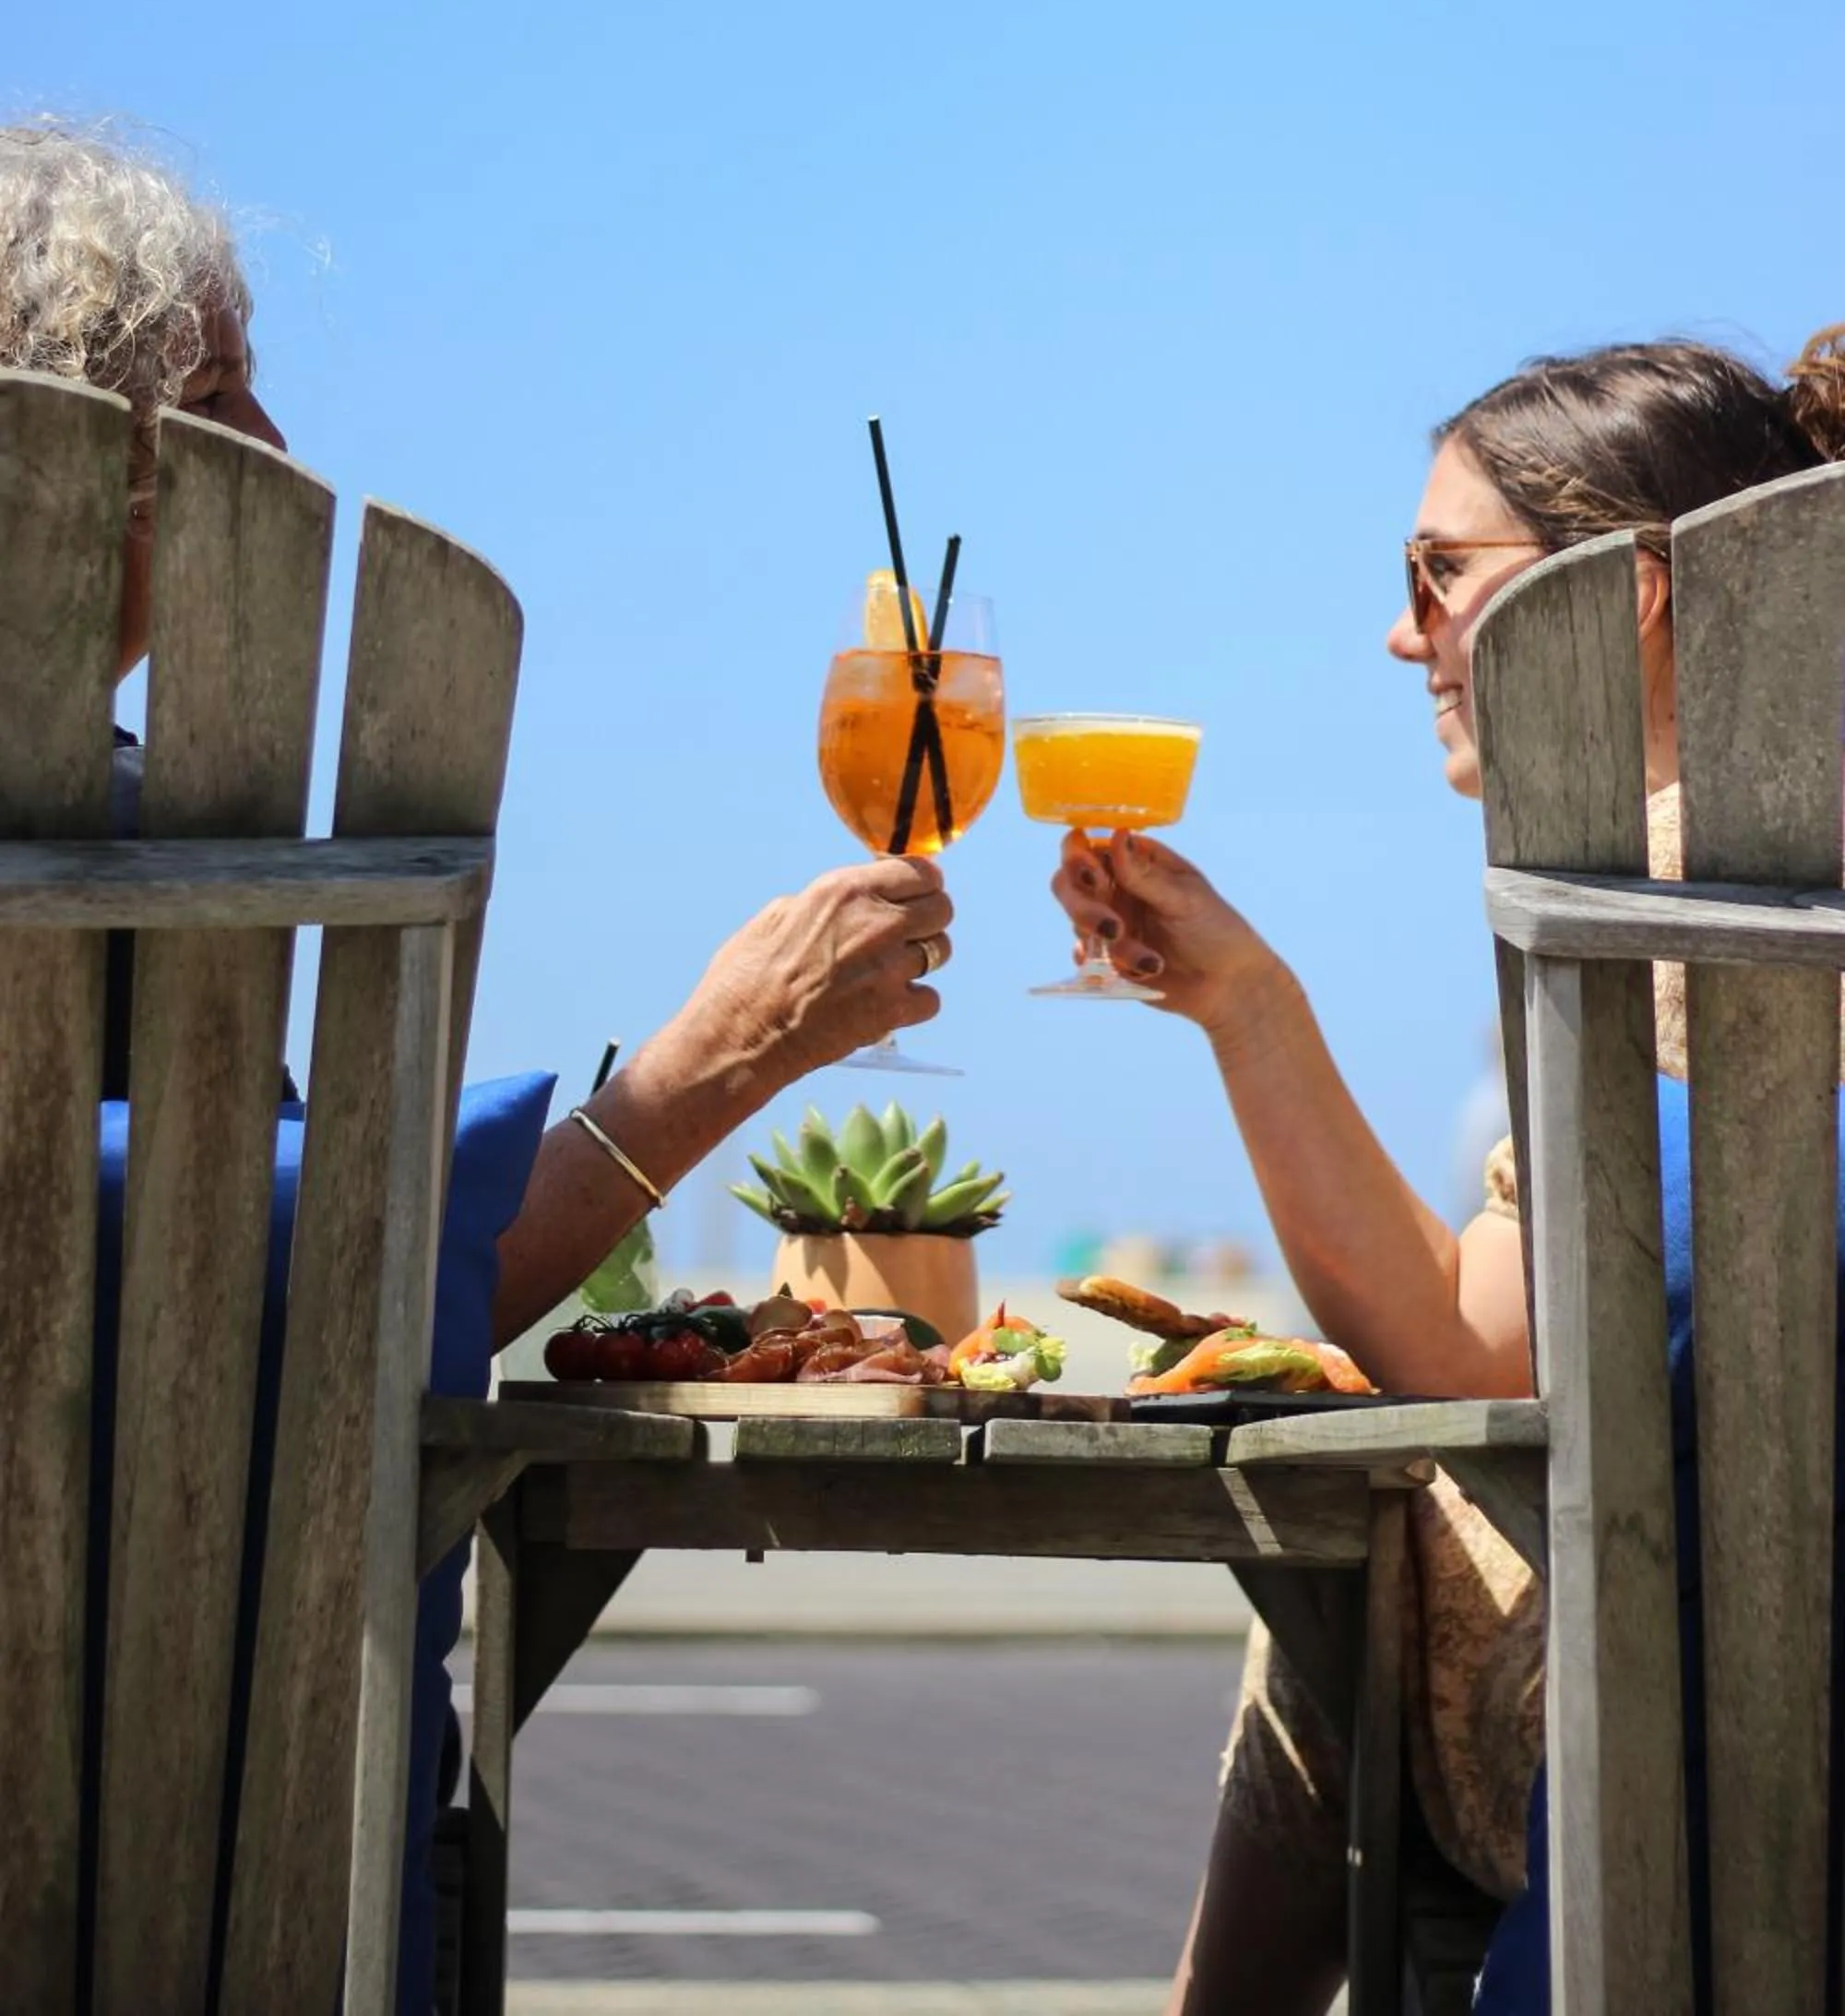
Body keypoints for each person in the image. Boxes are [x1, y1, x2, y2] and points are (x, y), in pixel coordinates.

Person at [1051, 327, 1845, 2016]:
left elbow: (1465, 1352)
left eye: (1438, 571)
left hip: (1711, 1756)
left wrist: (1250, 1012)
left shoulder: (1654, 900)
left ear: (1630, 593)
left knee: (1379, 1540)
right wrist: (1249, 1001)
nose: (1399, 631)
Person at [0, 118, 955, 1345]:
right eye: (211, 393)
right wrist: (731, 1048)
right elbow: (361, 1312)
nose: (273, 445)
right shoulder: (111, 820)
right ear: (51, 462)